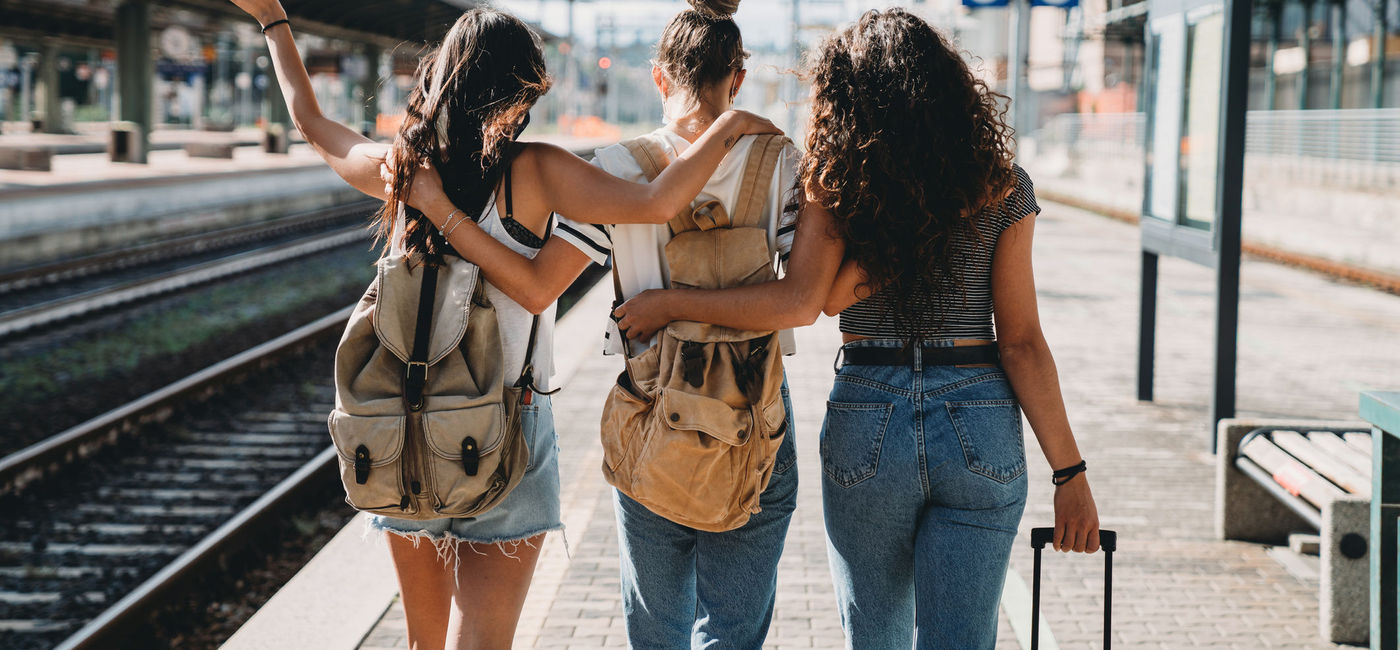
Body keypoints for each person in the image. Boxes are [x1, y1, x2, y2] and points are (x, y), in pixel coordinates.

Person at [226, 2, 780, 648]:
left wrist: (274, 22)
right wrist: (732, 124)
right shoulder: (536, 172)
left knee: (421, 643)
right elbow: (656, 203)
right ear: (515, 94)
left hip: (405, 424)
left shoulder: (404, 168)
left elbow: (315, 125)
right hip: (506, 427)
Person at [612, 9, 1102, 649]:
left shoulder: (839, 181)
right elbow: (1021, 343)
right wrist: (1070, 473)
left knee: (875, 636)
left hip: (870, 412)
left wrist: (672, 302)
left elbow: (810, 301)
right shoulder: (1000, 185)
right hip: (978, 411)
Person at [382, 2, 802, 646]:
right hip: (754, 405)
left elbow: (553, 272)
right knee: (736, 628)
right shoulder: (781, 161)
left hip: (651, 404)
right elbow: (799, 299)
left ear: (659, 78)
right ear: (737, 77)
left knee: (656, 627)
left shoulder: (615, 166)